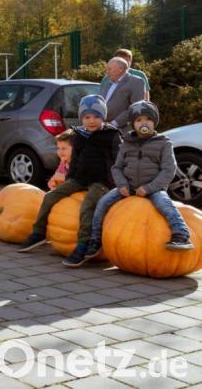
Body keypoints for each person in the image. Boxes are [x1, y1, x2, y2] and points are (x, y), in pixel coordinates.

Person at [63, 101, 193, 266]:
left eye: (148, 119)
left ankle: (181, 235)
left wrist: (149, 188)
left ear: (155, 122)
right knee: (102, 203)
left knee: (165, 205)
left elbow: (169, 170)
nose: (144, 123)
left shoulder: (164, 143)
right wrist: (122, 184)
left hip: (153, 188)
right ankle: (95, 239)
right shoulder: (126, 143)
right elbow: (117, 167)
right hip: (128, 186)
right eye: (139, 120)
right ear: (133, 124)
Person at [18, 95, 121, 254]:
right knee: (50, 196)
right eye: (87, 117)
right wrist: (69, 179)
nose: (91, 121)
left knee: (87, 205)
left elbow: (120, 160)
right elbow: (75, 159)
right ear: (81, 118)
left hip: (102, 181)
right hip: (79, 179)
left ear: (103, 117)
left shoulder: (112, 135)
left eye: (96, 116)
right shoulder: (78, 135)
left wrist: (117, 182)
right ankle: (39, 233)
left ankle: (83, 244)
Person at [101, 57, 145, 129]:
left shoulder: (136, 81)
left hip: (121, 129)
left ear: (120, 69)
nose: (107, 72)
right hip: (102, 127)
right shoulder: (108, 83)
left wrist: (114, 123)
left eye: (109, 69)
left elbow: (136, 107)